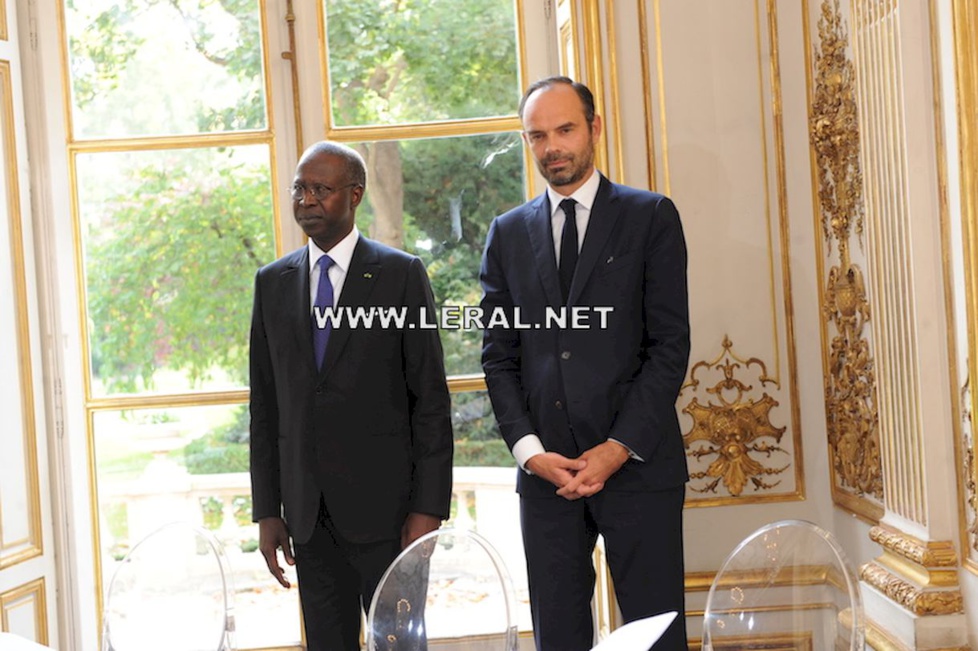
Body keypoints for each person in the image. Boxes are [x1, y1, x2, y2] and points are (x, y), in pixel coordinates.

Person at [480, 76, 690, 650]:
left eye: (565, 129)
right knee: (559, 638)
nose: (552, 147)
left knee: (655, 636)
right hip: (546, 476)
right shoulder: (505, 234)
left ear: (594, 129)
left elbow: (669, 347)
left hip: (639, 468)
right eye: (538, 135)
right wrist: (529, 453)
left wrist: (618, 447)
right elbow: (497, 358)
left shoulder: (651, 218)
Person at [249, 141, 453, 650]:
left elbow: (429, 399)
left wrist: (428, 509)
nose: (307, 199)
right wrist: (267, 511)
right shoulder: (272, 283)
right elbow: (265, 405)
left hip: (390, 518)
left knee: (400, 646)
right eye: (299, 188)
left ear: (355, 195)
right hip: (308, 519)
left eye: (321, 189)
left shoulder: (401, 275)